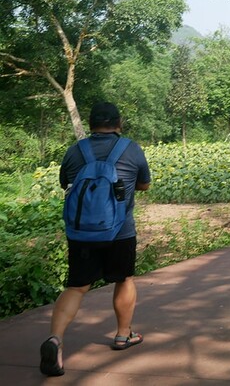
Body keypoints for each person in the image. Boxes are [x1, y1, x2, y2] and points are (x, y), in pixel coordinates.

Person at [40, 102, 151, 377]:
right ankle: (123, 335)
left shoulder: (75, 150)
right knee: (124, 279)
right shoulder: (131, 148)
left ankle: (55, 339)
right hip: (120, 230)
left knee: (76, 287)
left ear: (90, 124)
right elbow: (144, 184)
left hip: (82, 232)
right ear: (119, 122)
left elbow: (65, 181)